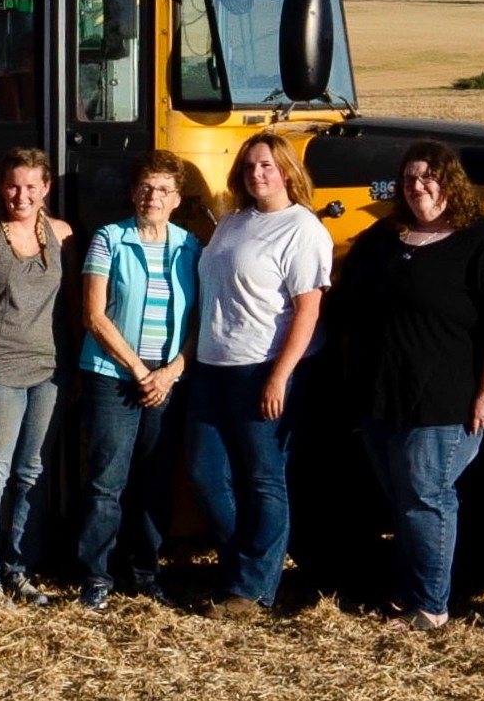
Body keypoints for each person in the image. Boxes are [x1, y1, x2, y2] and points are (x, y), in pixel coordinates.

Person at [336, 140, 484, 631]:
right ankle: (406, 596)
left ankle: (431, 605)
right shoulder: (383, 238)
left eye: (429, 177)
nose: (418, 187)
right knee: (402, 499)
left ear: (451, 182)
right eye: (409, 179)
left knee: (427, 496)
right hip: (382, 397)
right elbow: (346, 307)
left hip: (447, 401)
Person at [186, 132, 333, 618]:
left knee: (265, 478)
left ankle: (253, 591)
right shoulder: (232, 222)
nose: (257, 174)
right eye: (249, 166)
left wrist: (280, 376)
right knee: (207, 472)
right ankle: (238, 570)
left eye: (267, 165)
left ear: (287, 170)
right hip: (213, 365)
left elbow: (308, 310)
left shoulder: (302, 229)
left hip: (264, 366)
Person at [75, 150, 201, 610]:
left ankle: (146, 573)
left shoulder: (191, 248)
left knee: (154, 479)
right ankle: (97, 576)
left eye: (163, 189)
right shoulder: (109, 240)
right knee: (108, 479)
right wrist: (140, 370)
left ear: (176, 199)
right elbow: (93, 315)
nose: (153, 196)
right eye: (146, 187)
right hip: (114, 375)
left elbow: (197, 324)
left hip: (166, 381)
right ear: (133, 192)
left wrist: (169, 373)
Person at [0, 148, 74, 607]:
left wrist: (76, 364)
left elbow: (72, 307)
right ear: (0, 188)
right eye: (12, 186)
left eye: (30, 186)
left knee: (32, 473)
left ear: (46, 189)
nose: (20, 195)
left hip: (49, 373)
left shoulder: (62, 235)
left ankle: (19, 570)